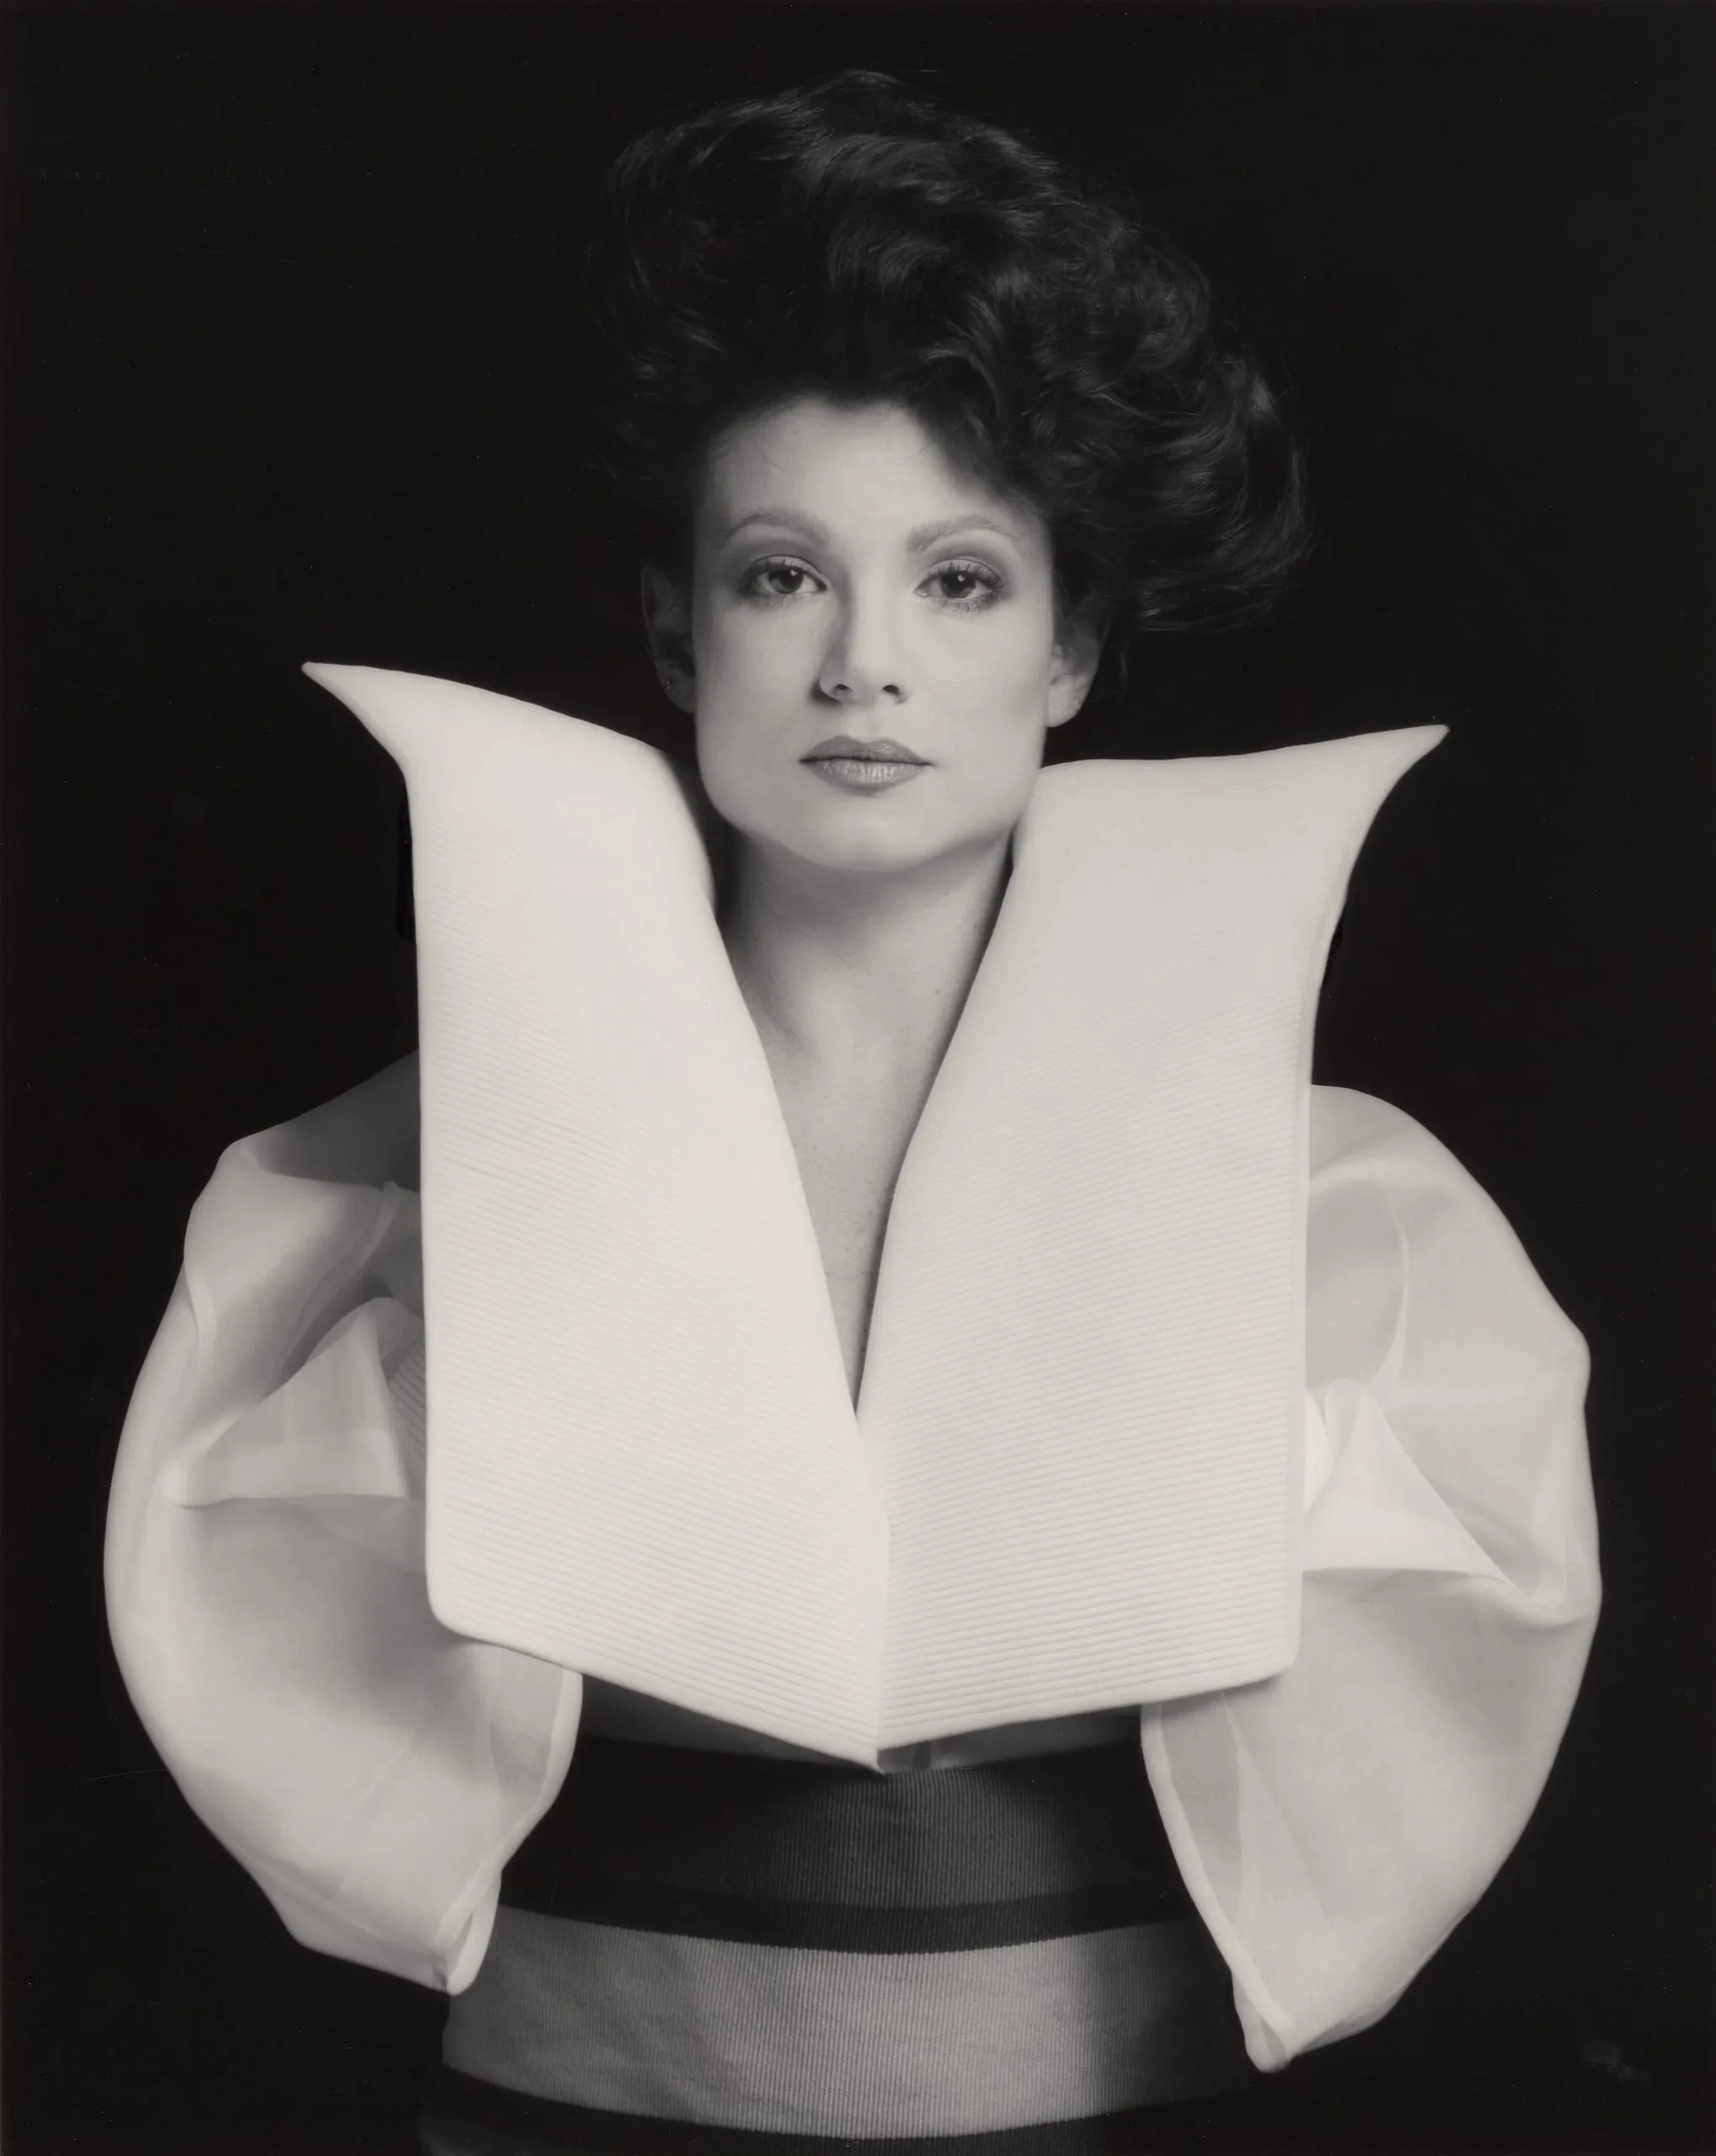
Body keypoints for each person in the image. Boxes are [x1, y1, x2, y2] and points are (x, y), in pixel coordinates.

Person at [104, 67, 1600, 2155]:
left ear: (1072, 644)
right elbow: (309, 1720)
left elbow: (1403, 1738)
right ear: (675, 627)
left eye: (960, 580)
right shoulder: (409, 1183)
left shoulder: (1328, 1212)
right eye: (780, 575)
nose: (860, 665)